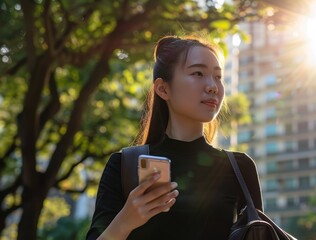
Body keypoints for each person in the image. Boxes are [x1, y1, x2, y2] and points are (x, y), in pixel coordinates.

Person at [86, 35, 263, 239]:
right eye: (198, 73)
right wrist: (126, 220)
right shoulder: (123, 165)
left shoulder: (240, 168)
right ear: (163, 88)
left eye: (218, 76)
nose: (213, 86)